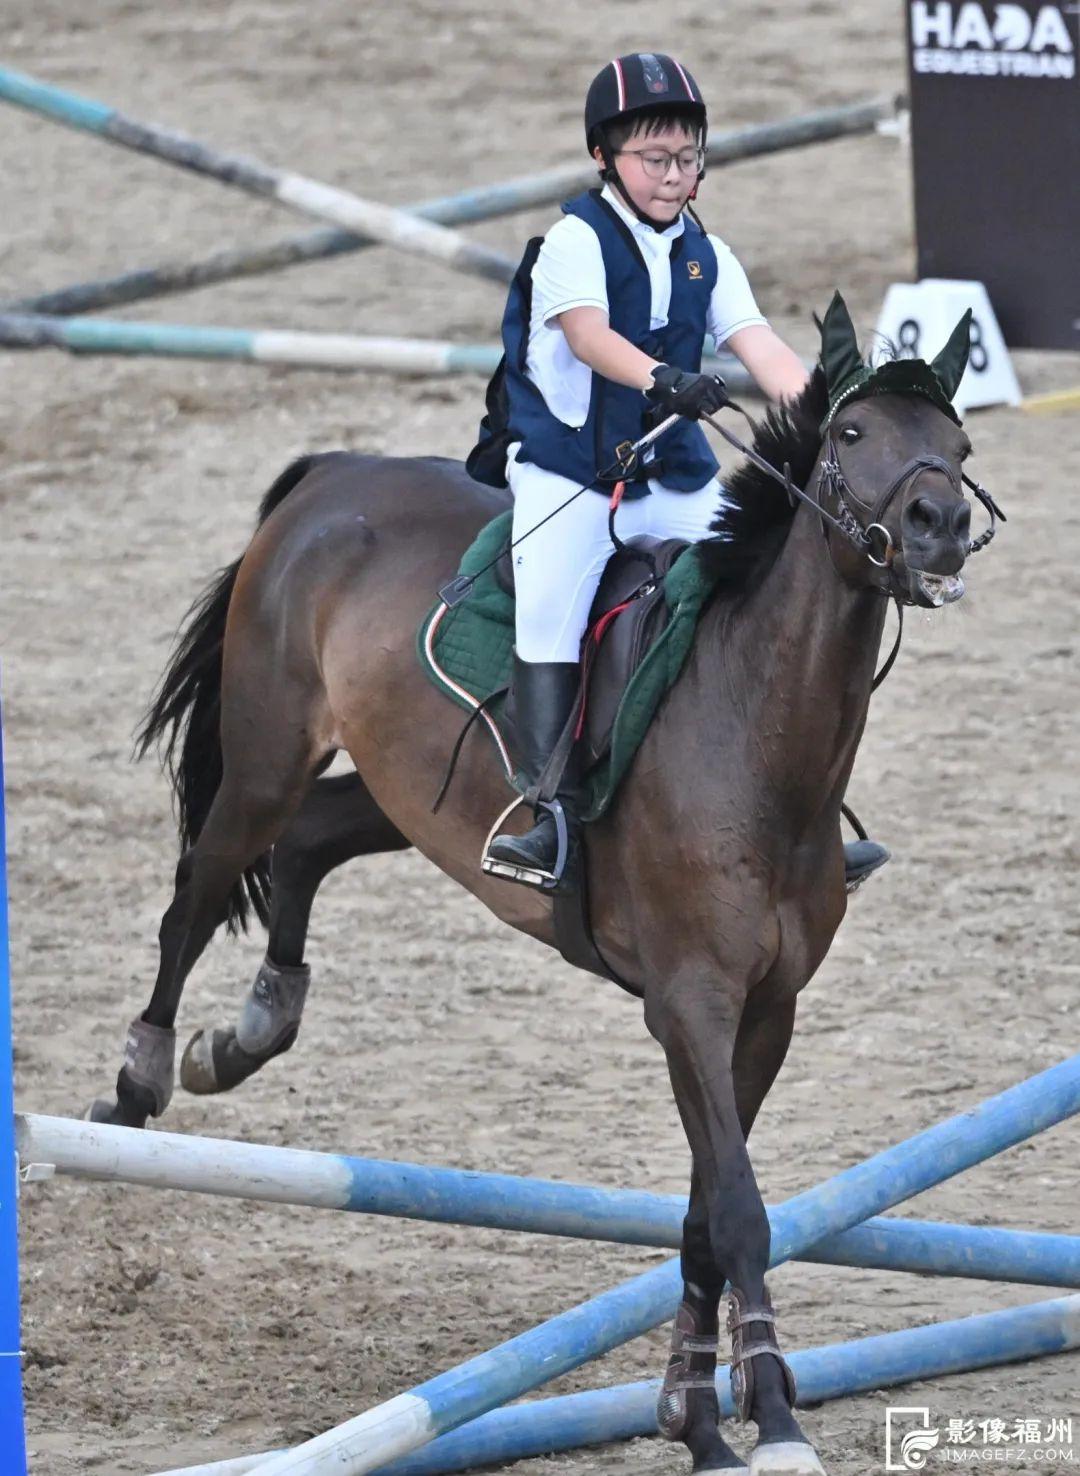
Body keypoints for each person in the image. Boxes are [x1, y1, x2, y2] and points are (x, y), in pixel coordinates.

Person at [470, 51, 888, 890]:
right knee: (551, 609)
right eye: (653, 158)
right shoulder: (573, 241)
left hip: (671, 474)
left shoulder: (707, 253)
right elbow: (588, 336)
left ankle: (797, 805)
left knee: (753, 590)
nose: (672, 175)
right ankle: (545, 814)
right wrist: (664, 378)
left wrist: (833, 410)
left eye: (687, 156)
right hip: (571, 470)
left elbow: (759, 346)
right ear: (605, 158)